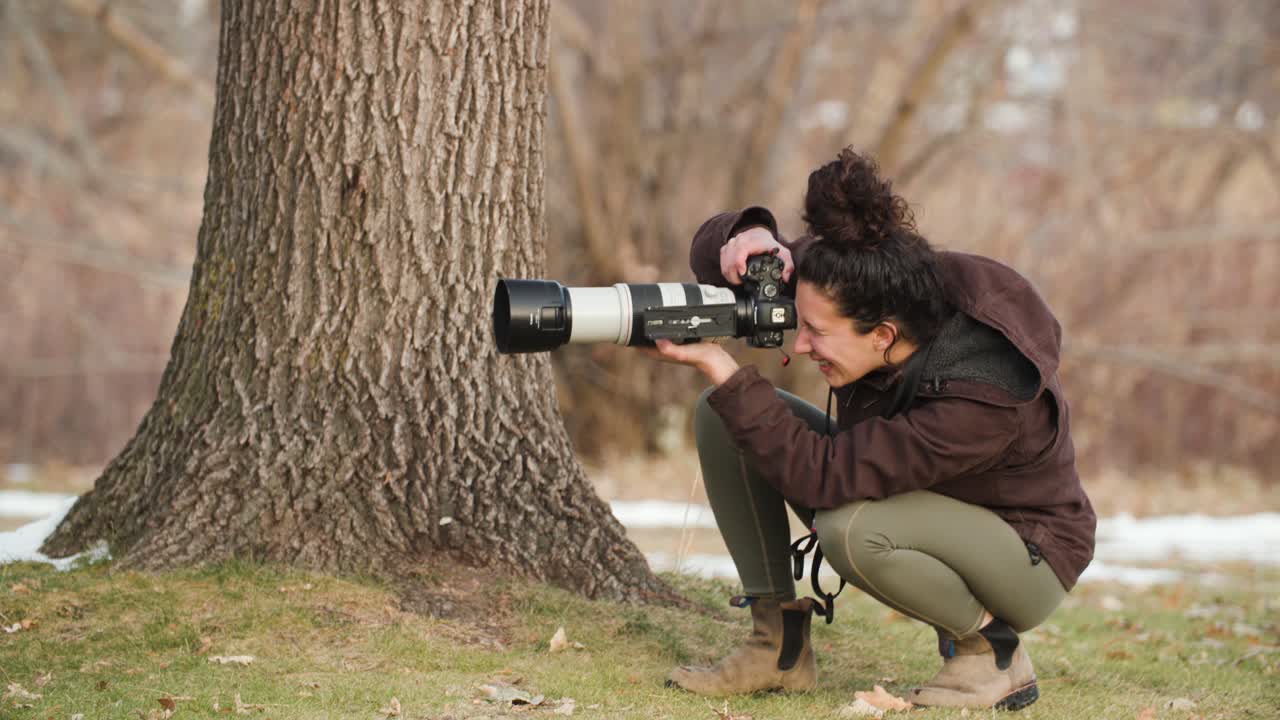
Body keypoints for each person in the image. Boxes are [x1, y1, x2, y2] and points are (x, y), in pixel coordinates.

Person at [642, 148, 1095, 711]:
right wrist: (750, 236)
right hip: (919, 499)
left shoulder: (984, 395)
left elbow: (823, 477)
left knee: (850, 528)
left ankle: (992, 652)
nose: (800, 344)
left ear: (883, 336)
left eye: (815, 332)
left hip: (1025, 553)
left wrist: (719, 363)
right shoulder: (858, 280)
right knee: (722, 413)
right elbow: (722, 261)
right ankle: (775, 647)